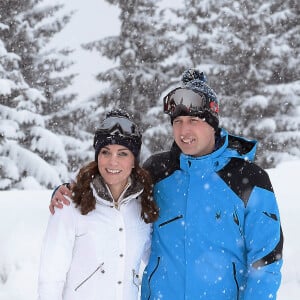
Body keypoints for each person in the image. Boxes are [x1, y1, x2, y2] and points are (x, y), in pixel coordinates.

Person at [50, 69, 283, 299]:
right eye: (178, 121)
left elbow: (266, 261)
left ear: (213, 124)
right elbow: (112, 184)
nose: (184, 130)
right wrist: (68, 191)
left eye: (194, 120)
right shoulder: (158, 171)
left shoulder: (249, 179)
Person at [38, 109, 159, 300]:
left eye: (122, 153)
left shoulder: (142, 205)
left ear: (134, 161)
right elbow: (50, 276)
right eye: (105, 152)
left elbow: (154, 259)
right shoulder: (70, 203)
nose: (113, 161)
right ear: (97, 156)